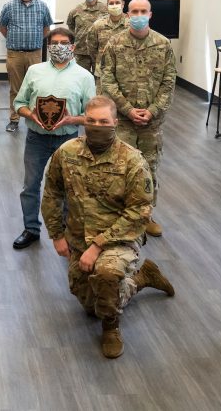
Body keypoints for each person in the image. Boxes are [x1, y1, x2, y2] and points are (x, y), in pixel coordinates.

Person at [42, 95, 175, 358]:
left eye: (103, 121)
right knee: (92, 305)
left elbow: (139, 212)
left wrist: (98, 245)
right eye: (91, 121)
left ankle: (111, 327)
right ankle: (142, 278)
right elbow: (51, 193)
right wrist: (57, 235)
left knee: (106, 276)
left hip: (120, 239)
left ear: (115, 122)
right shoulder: (66, 153)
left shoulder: (132, 161)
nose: (96, 126)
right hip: (78, 237)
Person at [98, 0, 176, 238]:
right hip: (123, 120)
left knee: (148, 169)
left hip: (152, 123)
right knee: (120, 169)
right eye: (134, 11)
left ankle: (146, 216)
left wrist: (152, 111)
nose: (139, 15)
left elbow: (168, 82)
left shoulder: (163, 45)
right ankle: (120, 216)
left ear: (150, 15)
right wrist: (128, 109)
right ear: (127, 15)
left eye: (143, 11)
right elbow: (107, 79)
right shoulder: (115, 43)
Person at [11, 27, 95, 250]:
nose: (59, 46)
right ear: (48, 47)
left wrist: (71, 120)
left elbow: (92, 116)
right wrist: (31, 114)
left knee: (69, 188)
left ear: (72, 47)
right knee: (30, 185)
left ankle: (68, 233)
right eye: (54, 42)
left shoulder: (85, 77)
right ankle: (31, 229)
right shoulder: (35, 71)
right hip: (36, 138)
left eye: (63, 42)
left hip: (68, 140)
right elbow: (19, 104)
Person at [0, 0, 53, 133]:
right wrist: (15, 39)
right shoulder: (9, 7)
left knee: (37, 88)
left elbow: (46, 28)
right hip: (15, 54)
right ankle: (14, 120)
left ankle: (35, 118)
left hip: (35, 54)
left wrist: (34, 40)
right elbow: (2, 27)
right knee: (15, 88)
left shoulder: (42, 6)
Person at [85, 0, 129, 82]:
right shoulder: (98, 25)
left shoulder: (131, 24)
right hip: (103, 73)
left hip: (126, 74)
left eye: (117, 3)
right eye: (111, 3)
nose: (114, 5)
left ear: (123, 4)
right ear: (107, 5)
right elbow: (91, 48)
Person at [65, 0, 106, 72]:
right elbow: (71, 27)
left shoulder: (105, 9)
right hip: (81, 52)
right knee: (80, 80)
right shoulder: (76, 10)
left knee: (99, 81)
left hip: (99, 52)